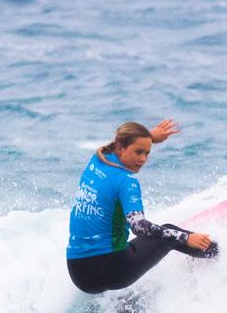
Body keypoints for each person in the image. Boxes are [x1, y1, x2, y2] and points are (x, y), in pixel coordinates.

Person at [66, 119, 218, 294]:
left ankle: (118, 305)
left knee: (120, 238)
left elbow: (116, 144)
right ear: (121, 147)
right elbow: (139, 227)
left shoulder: (97, 160)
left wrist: (148, 137)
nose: (143, 159)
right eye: (138, 152)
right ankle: (223, 254)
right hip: (112, 270)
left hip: (79, 273)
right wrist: (185, 238)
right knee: (168, 233)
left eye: (147, 153)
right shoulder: (126, 181)